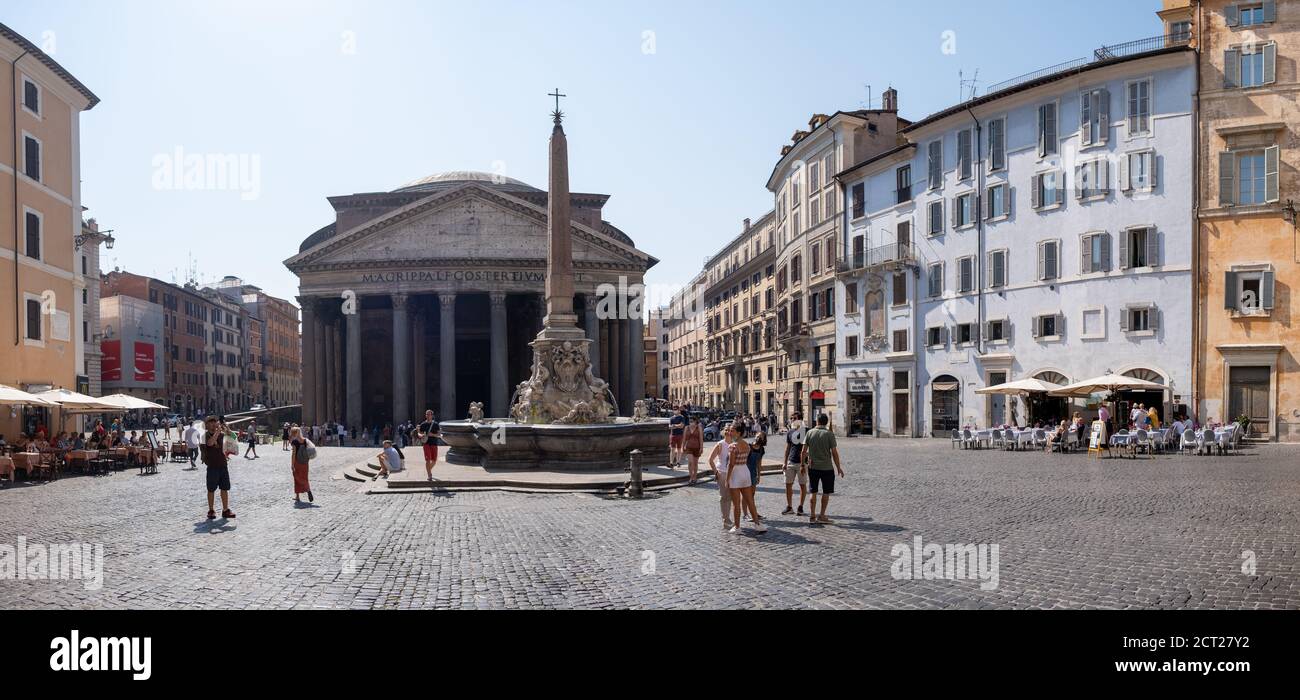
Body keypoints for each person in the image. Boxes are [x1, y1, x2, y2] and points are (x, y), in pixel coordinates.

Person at [801, 414, 843, 525]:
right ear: (826, 422)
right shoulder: (829, 434)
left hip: (813, 467)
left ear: (817, 421)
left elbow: (803, 451)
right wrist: (838, 467)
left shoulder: (809, 433)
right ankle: (822, 515)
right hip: (827, 468)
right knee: (826, 492)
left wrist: (802, 465)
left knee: (813, 491)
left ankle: (812, 515)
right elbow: (834, 453)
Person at [200, 416, 235, 520]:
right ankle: (211, 510)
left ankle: (225, 510)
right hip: (212, 466)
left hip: (223, 465)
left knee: (224, 488)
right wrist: (218, 431)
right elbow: (210, 443)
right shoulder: (204, 436)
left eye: (214, 422)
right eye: (210, 422)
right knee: (211, 489)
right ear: (206, 425)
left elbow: (232, 438)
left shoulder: (221, 435)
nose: (213, 424)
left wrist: (227, 429)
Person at [782, 412, 808, 516]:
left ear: (800, 419)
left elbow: (807, 447)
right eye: (791, 418)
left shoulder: (806, 431)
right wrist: (784, 462)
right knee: (788, 485)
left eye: (794, 418)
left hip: (802, 462)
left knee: (802, 485)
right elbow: (787, 448)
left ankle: (800, 507)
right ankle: (789, 507)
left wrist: (805, 461)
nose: (792, 420)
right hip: (791, 461)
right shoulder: (790, 432)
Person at [744, 431, 767, 525]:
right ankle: (745, 514)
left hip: (753, 473)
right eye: (757, 436)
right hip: (745, 472)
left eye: (761, 437)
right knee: (745, 495)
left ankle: (754, 513)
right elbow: (744, 460)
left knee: (752, 495)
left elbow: (759, 463)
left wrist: (759, 475)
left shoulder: (761, 449)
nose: (758, 438)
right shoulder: (748, 447)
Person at [289, 426, 313, 503]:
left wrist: (292, 464)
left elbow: (293, 454)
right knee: (305, 477)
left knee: (297, 478)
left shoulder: (295, 442)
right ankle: (306, 491)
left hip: (297, 462)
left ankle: (299, 496)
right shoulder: (305, 440)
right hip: (305, 462)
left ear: (293, 433)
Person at [415, 410, 441, 480]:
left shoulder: (435, 424)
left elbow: (439, 435)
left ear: (432, 415)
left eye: (429, 414)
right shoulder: (423, 424)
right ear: (425, 415)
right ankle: (429, 475)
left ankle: (428, 470)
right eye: (427, 414)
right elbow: (419, 433)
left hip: (434, 443)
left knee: (434, 461)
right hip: (426, 443)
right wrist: (421, 435)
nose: (428, 416)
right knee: (428, 460)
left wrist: (432, 434)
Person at [682, 415, 704, 484]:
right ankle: (691, 477)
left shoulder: (699, 428)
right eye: (689, 422)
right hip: (689, 447)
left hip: (697, 447)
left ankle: (695, 477)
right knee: (690, 462)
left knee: (695, 463)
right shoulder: (686, 428)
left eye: (692, 422)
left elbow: (701, 438)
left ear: (695, 422)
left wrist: (701, 448)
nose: (690, 423)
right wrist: (683, 446)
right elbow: (684, 438)